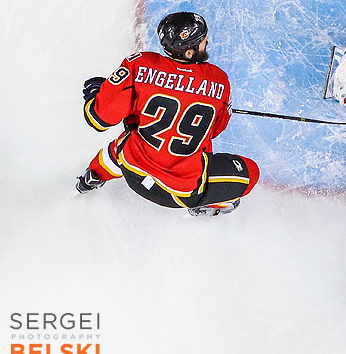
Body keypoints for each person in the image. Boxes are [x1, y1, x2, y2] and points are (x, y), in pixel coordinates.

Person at [77, 12, 260, 216]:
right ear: (189, 52)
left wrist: (99, 93)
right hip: (181, 193)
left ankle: (92, 177)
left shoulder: (138, 64)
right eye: (202, 39)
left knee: (128, 140)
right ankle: (215, 204)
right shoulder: (219, 81)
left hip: (133, 171)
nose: (207, 40)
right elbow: (215, 131)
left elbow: (99, 120)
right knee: (251, 172)